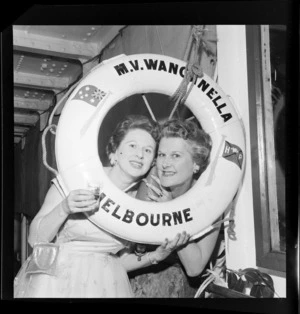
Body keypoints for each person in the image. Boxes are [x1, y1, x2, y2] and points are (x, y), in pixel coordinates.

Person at [14, 114, 190, 298]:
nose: (139, 154)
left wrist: (155, 256)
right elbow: (34, 239)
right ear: (114, 152)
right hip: (56, 282)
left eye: (147, 150)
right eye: (132, 146)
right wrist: (64, 208)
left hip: (107, 286)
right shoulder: (77, 180)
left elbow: (118, 261)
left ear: (152, 161)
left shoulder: (139, 203)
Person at [129, 118, 221, 298]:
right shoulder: (152, 185)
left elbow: (194, 268)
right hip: (137, 282)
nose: (165, 164)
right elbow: (136, 246)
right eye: (162, 155)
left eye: (175, 155)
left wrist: (170, 210)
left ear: (196, 164)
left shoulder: (210, 203)